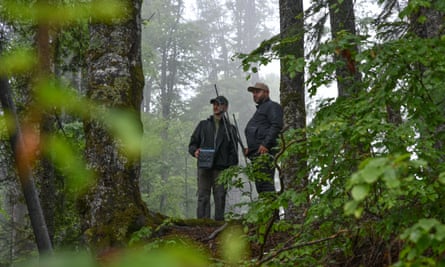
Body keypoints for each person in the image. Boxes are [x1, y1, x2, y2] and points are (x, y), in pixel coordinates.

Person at [188, 95, 238, 221]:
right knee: (203, 195)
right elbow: (192, 144)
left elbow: (234, 152)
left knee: (220, 196)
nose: (215, 107)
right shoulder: (203, 125)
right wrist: (195, 152)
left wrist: (230, 168)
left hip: (221, 168)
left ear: (225, 107)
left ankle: (218, 224)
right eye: (214, 104)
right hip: (204, 165)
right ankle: (202, 224)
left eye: (219, 104)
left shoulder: (231, 129)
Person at [244, 82, 283, 194]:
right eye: (253, 93)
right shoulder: (261, 110)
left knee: (266, 187)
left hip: (265, 154)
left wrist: (266, 144)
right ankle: (269, 211)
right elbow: (260, 131)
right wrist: (250, 149)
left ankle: (272, 212)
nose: (254, 95)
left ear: (266, 92)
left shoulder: (272, 106)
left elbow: (276, 125)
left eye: (257, 92)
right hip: (257, 155)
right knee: (261, 188)